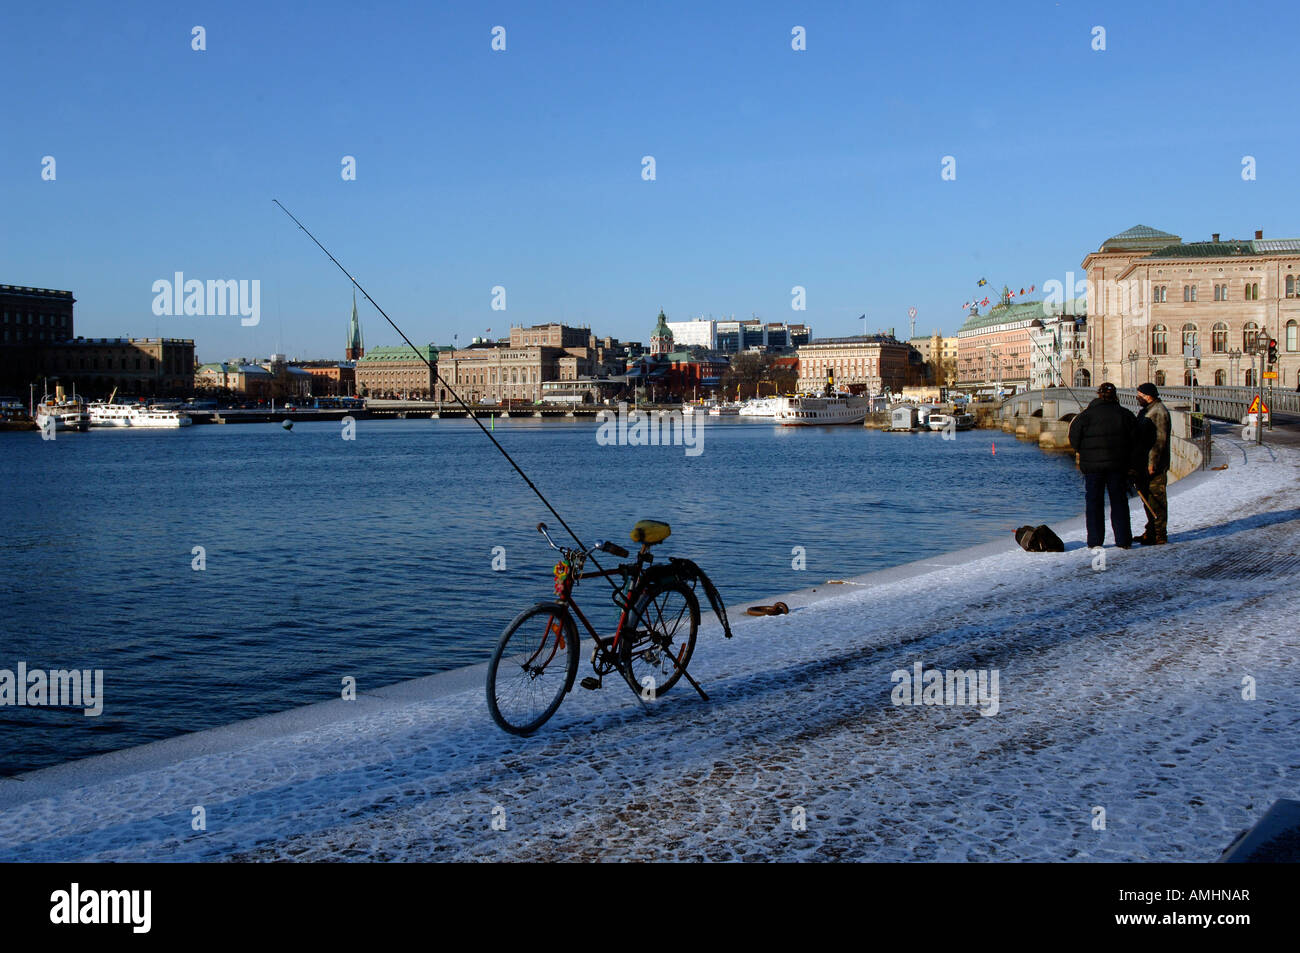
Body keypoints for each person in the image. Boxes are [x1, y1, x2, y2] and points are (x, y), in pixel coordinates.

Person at [1068, 382, 1138, 549]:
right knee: (1119, 502)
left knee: (1094, 503)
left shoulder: (1085, 416)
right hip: (1118, 466)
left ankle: (1095, 541)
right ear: (1115, 396)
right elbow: (1135, 441)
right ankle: (1123, 540)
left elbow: (1074, 439)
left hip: (1092, 468)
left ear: (1098, 395)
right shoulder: (1125, 414)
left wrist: (1084, 452)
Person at [1132, 382, 1170, 545]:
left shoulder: (1158, 412)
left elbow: (1159, 441)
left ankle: (1160, 534)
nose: (1137, 398)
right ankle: (1151, 531)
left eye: (1139, 395)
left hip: (1154, 465)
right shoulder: (1147, 410)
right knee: (1148, 498)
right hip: (1144, 463)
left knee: (1156, 499)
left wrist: (1152, 463)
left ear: (1148, 396)